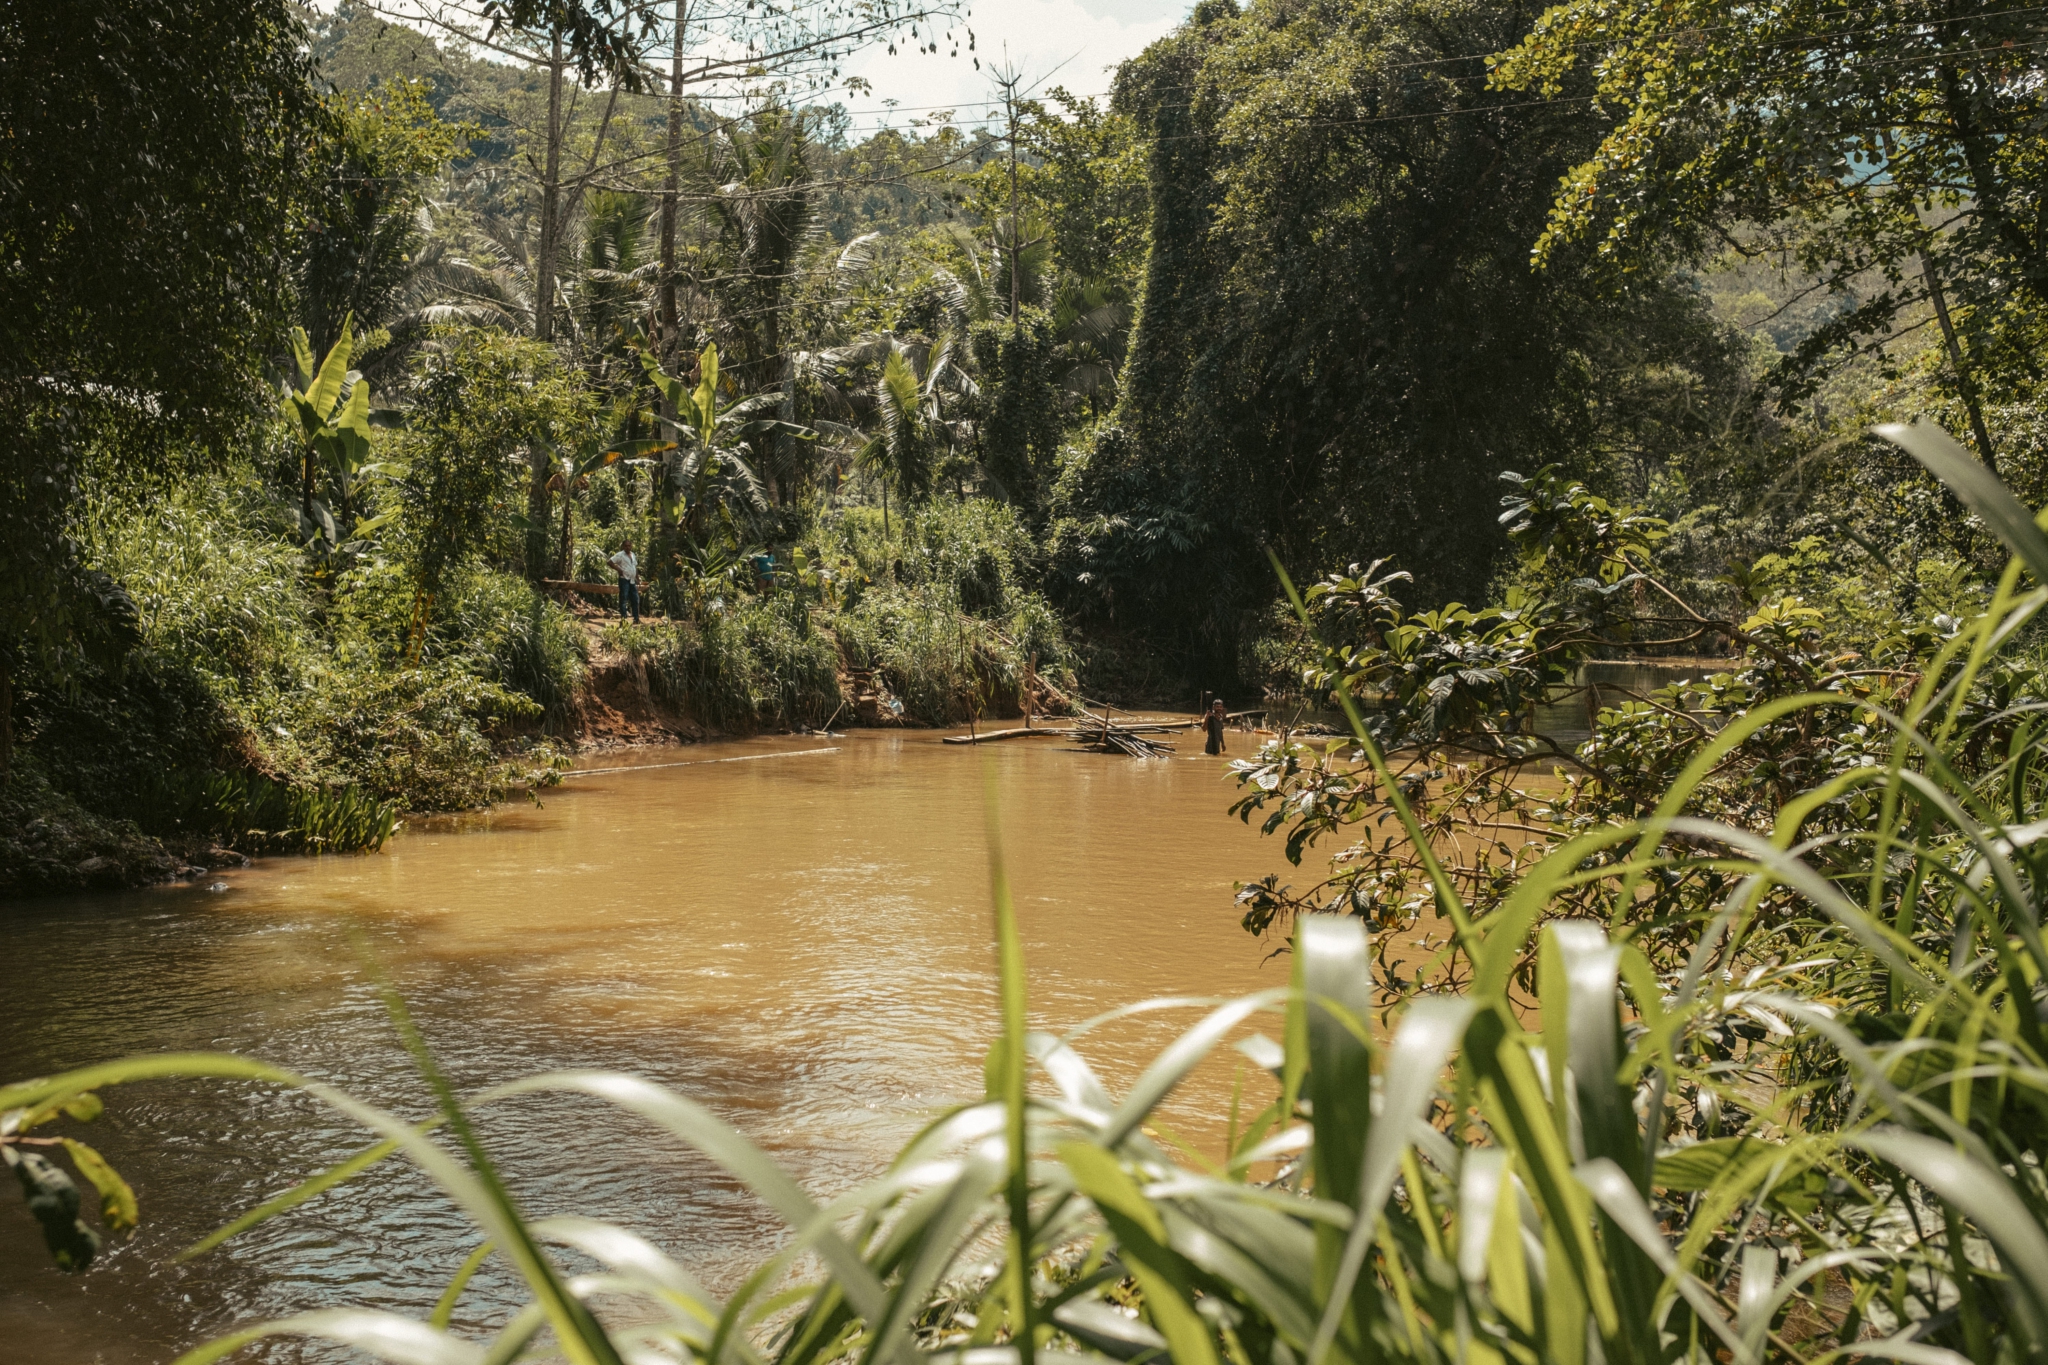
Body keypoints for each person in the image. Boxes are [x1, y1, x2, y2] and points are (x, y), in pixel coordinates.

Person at [609, 539, 641, 623]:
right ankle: (623, 619)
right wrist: (619, 569)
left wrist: (637, 577)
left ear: (631, 546)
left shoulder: (633, 555)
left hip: (632, 580)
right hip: (624, 580)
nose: (627, 547)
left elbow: (635, 567)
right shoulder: (620, 555)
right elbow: (610, 562)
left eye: (629, 545)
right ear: (623, 546)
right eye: (626, 546)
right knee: (623, 599)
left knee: (635, 599)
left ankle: (636, 618)